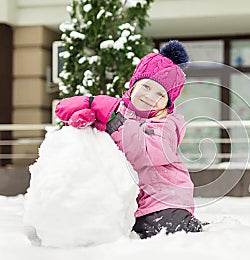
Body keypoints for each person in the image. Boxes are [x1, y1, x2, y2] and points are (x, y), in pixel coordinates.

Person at [55, 40, 203, 239]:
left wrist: (113, 121)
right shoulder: (119, 111)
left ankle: (186, 226)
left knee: (165, 233)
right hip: (130, 199)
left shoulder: (168, 124)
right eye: (147, 86)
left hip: (163, 199)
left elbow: (144, 151)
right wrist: (92, 122)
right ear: (133, 85)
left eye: (160, 94)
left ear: (167, 103)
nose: (150, 96)